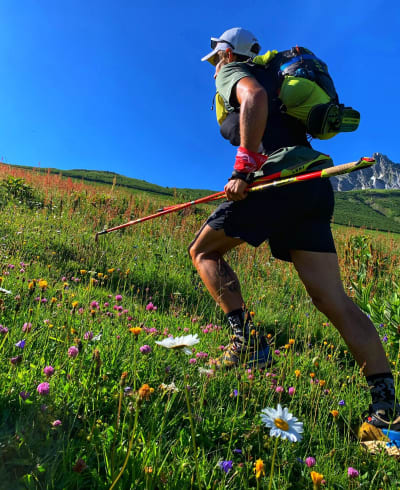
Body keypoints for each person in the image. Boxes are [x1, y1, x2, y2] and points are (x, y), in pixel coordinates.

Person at [188, 27, 400, 451]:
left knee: (203, 252)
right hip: (311, 183)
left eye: (214, 61)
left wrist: (243, 168)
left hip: (276, 180)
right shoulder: (278, 77)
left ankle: (247, 343)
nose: (213, 70)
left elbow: (255, 100)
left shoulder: (237, 73)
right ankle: (387, 411)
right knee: (332, 300)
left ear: (226, 54)